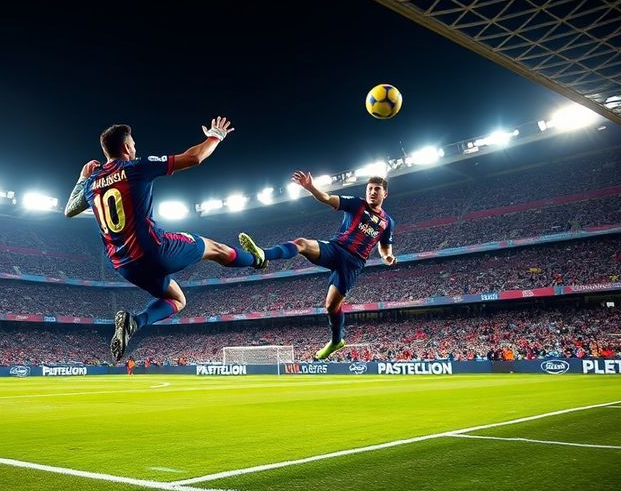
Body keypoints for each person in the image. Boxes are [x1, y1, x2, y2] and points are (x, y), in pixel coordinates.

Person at [65, 117, 262, 361]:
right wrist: (215, 136)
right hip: (155, 251)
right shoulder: (136, 167)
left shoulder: (92, 182)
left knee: (177, 299)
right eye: (133, 144)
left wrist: (83, 178)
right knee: (213, 248)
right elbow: (194, 157)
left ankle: (134, 323)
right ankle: (257, 260)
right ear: (126, 148)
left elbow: (69, 210)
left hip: (124, 266)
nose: (135, 148)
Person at [239, 171, 396, 360]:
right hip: (336, 249)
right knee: (302, 243)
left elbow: (385, 248)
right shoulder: (356, 203)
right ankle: (264, 254)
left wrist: (388, 257)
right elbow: (328, 198)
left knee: (331, 307)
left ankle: (336, 341)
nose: (372, 192)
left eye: (376, 189)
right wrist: (310, 187)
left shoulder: (387, 223)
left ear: (384, 194)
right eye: (369, 188)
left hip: (353, 263)